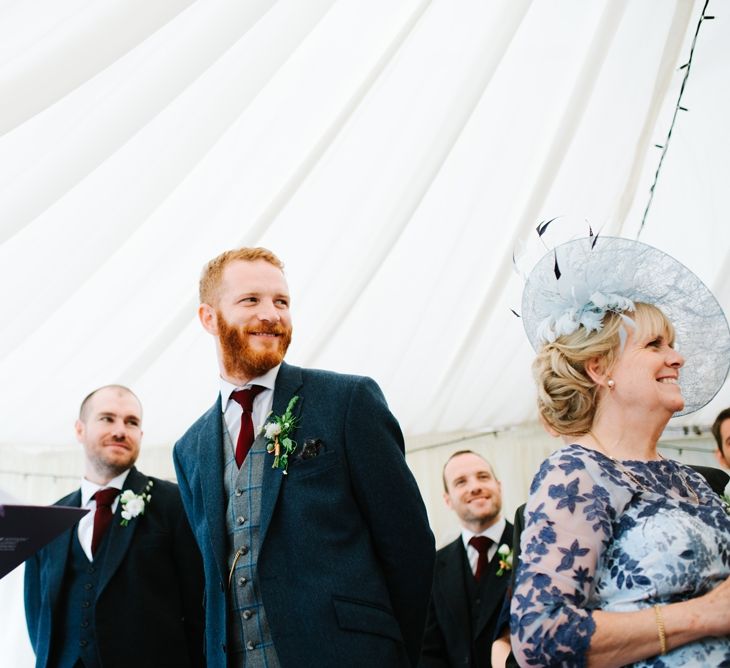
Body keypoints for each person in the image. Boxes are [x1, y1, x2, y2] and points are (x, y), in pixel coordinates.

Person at [173, 247, 435, 667]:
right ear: (209, 318)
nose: (271, 314)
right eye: (250, 300)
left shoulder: (347, 401)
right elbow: (211, 580)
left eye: (282, 302)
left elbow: (409, 545)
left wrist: (387, 654)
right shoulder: (189, 449)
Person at [510, 235, 730, 666]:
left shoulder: (693, 480)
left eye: (672, 344)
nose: (678, 358)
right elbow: (540, 637)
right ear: (599, 368)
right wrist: (701, 616)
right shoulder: (576, 473)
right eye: (655, 346)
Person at [24, 385, 205, 668]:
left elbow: (198, 608)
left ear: (141, 435)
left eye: (131, 422)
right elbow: (37, 619)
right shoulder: (48, 520)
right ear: (80, 430)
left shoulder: (175, 504)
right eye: (107, 418)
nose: (120, 430)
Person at [421, 450, 514, 668]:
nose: (475, 487)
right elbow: (428, 650)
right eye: (461, 482)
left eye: (483, 477)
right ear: (448, 500)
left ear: (498, 485)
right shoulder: (434, 567)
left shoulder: (531, 547)